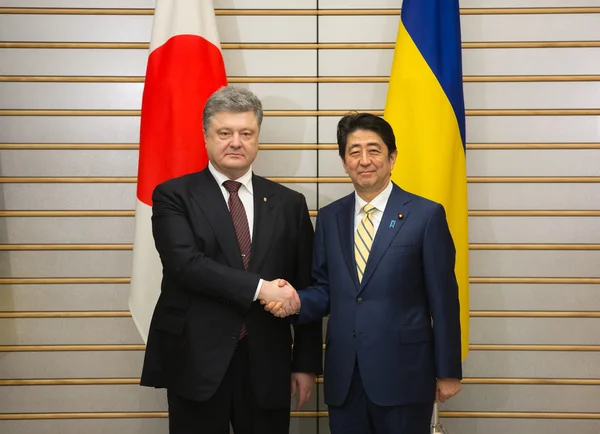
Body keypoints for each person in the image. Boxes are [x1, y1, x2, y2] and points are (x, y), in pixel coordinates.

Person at [140, 86, 322, 434]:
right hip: (195, 359)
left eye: (246, 133)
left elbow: (305, 287)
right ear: (206, 136)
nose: (235, 142)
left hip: (267, 362)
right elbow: (186, 265)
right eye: (225, 133)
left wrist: (306, 363)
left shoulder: (289, 203)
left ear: (257, 138)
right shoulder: (173, 195)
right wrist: (261, 288)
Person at [265, 113, 462, 434]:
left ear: (392, 157)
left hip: (405, 375)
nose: (364, 160)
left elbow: (444, 299)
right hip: (345, 376)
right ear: (344, 162)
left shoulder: (426, 215)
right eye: (354, 152)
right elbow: (326, 287)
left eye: (374, 150)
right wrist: (295, 301)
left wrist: (448, 370)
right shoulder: (330, 217)